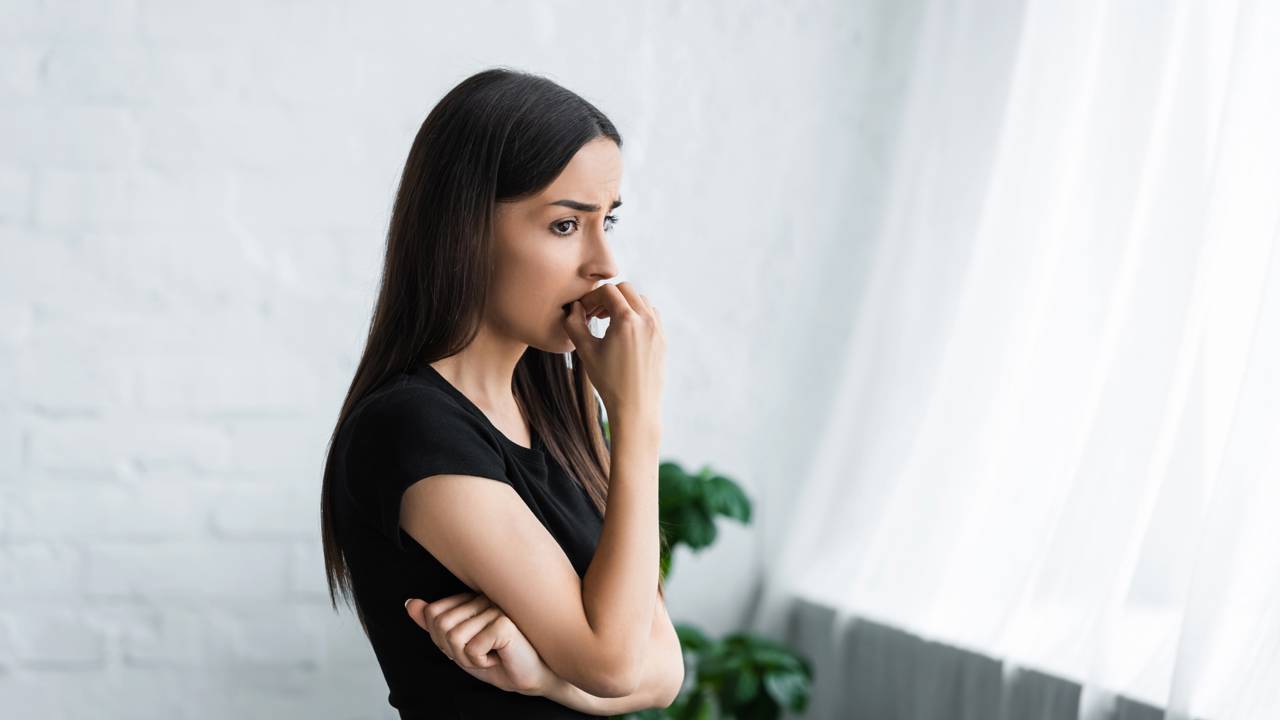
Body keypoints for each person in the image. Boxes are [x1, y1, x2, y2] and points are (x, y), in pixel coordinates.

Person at [318, 67, 683, 718]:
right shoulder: (411, 429)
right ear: (466, 228)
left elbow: (662, 672)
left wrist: (545, 677)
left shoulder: (556, 411)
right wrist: (636, 419)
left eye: (609, 222)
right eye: (566, 226)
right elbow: (615, 663)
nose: (604, 263)